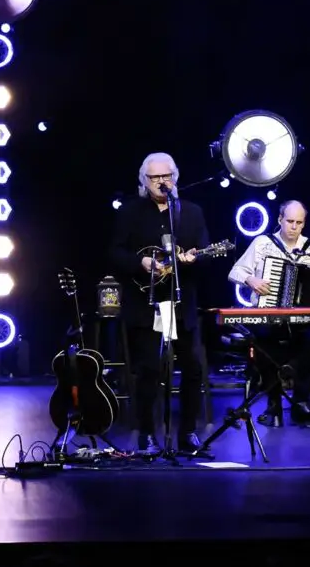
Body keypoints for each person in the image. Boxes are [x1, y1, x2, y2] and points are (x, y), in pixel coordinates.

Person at [107, 151, 212, 455]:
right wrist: (140, 262)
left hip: (181, 302)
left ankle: (188, 433)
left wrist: (193, 259)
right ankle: (147, 434)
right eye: (154, 177)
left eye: (165, 176)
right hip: (146, 302)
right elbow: (115, 253)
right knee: (150, 369)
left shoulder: (191, 212)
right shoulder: (130, 212)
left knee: (192, 368)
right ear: (144, 180)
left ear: (174, 178)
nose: (160, 181)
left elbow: (205, 252)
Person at [227, 199, 310, 425]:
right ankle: (274, 404)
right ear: (280, 219)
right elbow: (234, 272)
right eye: (289, 221)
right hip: (267, 316)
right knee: (263, 341)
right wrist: (251, 280)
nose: (294, 227)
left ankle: (300, 400)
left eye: (299, 222)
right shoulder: (263, 243)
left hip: (301, 320)